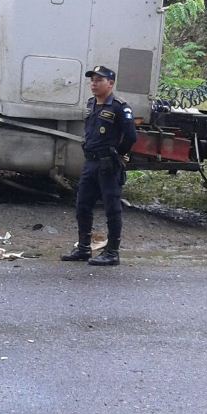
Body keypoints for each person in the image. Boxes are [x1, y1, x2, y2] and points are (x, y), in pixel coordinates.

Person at [61, 65, 137, 267]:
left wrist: (118, 155)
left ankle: (112, 252)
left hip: (108, 165)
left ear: (110, 84)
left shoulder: (120, 107)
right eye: (92, 80)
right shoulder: (91, 103)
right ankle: (84, 248)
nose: (93, 84)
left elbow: (131, 136)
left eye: (99, 80)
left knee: (112, 208)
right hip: (91, 163)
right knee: (82, 205)